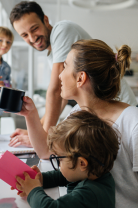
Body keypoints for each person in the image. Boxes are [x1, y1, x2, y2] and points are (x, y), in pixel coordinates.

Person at [14, 39, 138, 208]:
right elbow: (47, 151)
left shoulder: (133, 122)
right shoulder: (78, 113)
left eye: (65, 66)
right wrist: (30, 115)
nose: (59, 74)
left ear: (80, 77)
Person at [9, 1, 137, 148]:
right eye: (24, 35)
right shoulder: (52, 53)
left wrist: (43, 138)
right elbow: (62, 94)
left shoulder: (62, 30)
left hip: (121, 111)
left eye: (34, 29)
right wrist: (36, 131)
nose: (32, 38)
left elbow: (56, 90)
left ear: (45, 20)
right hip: (105, 115)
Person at [15, 110, 120, 208]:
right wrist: (41, 179)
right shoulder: (95, 173)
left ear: (82, 163)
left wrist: (33, 190)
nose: (59, 164)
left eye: (60, 159)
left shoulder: (90, 194)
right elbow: (65, 175)